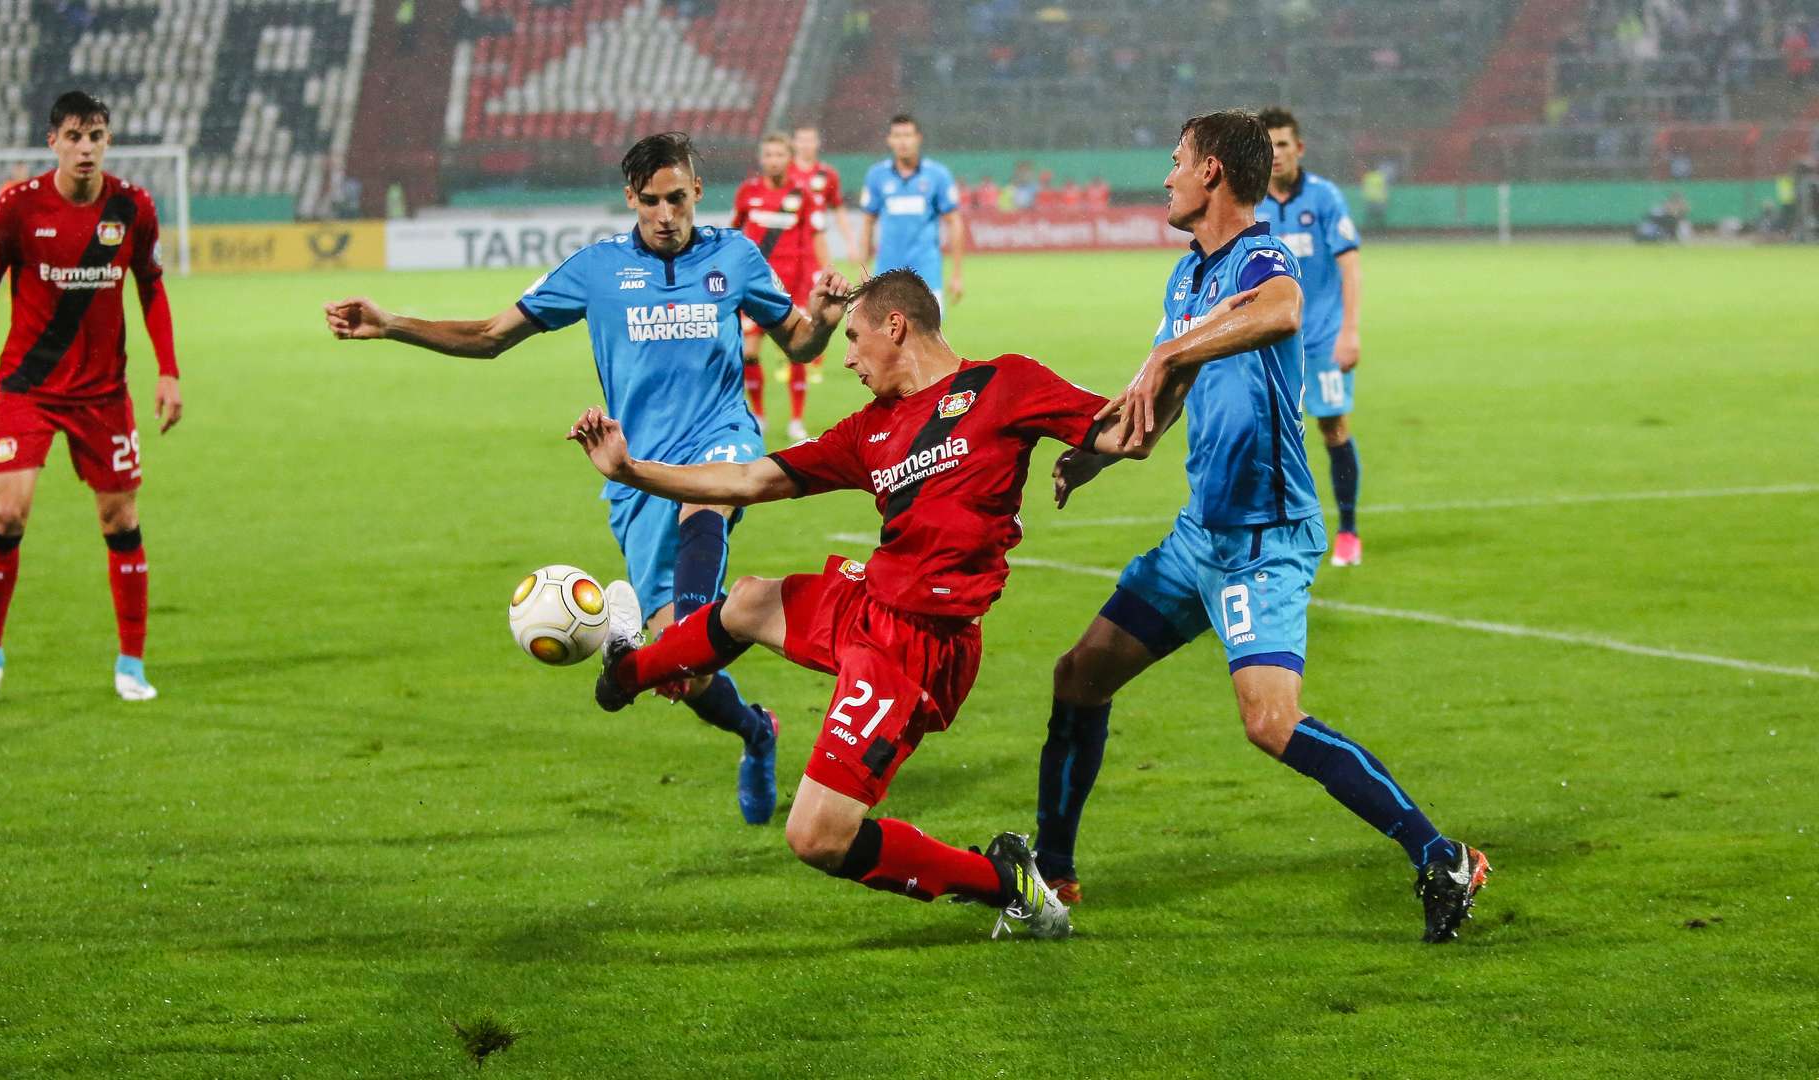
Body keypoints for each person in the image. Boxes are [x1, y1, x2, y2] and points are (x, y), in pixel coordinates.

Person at [567, 269, 1185, 938]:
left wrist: (1184, 356)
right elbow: (749, 478)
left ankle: (1008, 881)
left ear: (896, 327)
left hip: (916, 648)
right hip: (871, 603)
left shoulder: (1004, 385)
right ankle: (628, 672)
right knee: (746, 602)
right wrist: (630, 471)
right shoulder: (871, 429)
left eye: (854, 339)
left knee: (816, 837)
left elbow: (1127, 433)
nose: (848, 358)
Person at [1034, 110, 1489, 944]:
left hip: (1263, 540)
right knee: (1080, 676)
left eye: (1176, 160)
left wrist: (1172, 352)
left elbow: (1282, 312)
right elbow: (1159, 405)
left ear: (1211, 171)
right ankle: (1050, 872)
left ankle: (1442, 856)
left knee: (1271, 723)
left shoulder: (1261, 256)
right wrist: (1098, 454)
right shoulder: (1187, 277)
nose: (1165, 176)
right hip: (1199, 537)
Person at [325, 133, 845, 825]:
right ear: (631, 198)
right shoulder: (596, 270)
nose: (667, 214)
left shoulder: (735, 256)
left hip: (719, 437)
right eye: (652, 201)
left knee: (709, 501)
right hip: (632, 470)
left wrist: (825, 320)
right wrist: (392, 323)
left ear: (698, 191)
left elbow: (800, 342)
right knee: (689, 677)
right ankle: (756, 730)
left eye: (678, 198)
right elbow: (490, 336)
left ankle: (680, 638)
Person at [0, 90, 184, 704]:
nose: (85, 148)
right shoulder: (18, 206)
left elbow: (151, 287)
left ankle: (131, 663)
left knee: (120, 519)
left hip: (103, 394)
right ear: (52, 141)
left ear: (108, 141)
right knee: (9, 513)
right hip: (28, 388)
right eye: (74, 136)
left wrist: (169, 370)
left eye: (95, 136)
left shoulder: (132, 207)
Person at [1254, 107, 1367, 566]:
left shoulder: (1324, 197)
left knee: (1333, 428)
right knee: (1267, 437)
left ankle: (1348, 531)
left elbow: (1350, 266)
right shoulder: (1249, 203)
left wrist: (1349, 331)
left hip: (1321, 341)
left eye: (1283, 145)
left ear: (1299, 148)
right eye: (1268, 147)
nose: (1276, 155)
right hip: (1269, 345)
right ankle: (1279, 533)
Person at [732, 132, 829, 443]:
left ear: (789, 158)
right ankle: (759, 415)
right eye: (768, 155)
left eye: (779, 154)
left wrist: (824, 272)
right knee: (748, 352)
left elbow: (815, 236)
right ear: (761, 158)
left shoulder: (803, 195)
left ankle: (796, 420)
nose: (773, 160)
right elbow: (734, 232)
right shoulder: (748, 192)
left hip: (792, 288)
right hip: (755, 288)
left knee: (796, 353)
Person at [858, 115, 964, 307]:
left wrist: (957, 274)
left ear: (918, 138)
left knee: (929, 327)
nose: (903, 142)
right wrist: (864, 270)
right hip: (886, 275)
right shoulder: (876, 175)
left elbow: (954, 222)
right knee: (887, 326)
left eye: (907, 135)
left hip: (927, 274)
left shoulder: (937, 175)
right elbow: (867, 224)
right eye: (897, 136)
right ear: (889, 140)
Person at [789, 124, 860, 386]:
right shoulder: (786, 173)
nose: (806, 145)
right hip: (788, 251)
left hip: (815, 251)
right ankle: (788, 355)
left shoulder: (827, 174)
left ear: (817, 143)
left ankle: (815, 360)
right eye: (802, 140)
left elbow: (838, 209)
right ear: (794, 143)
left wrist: (850, 242)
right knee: (789, 303)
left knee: (818, 302)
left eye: (810, 140)